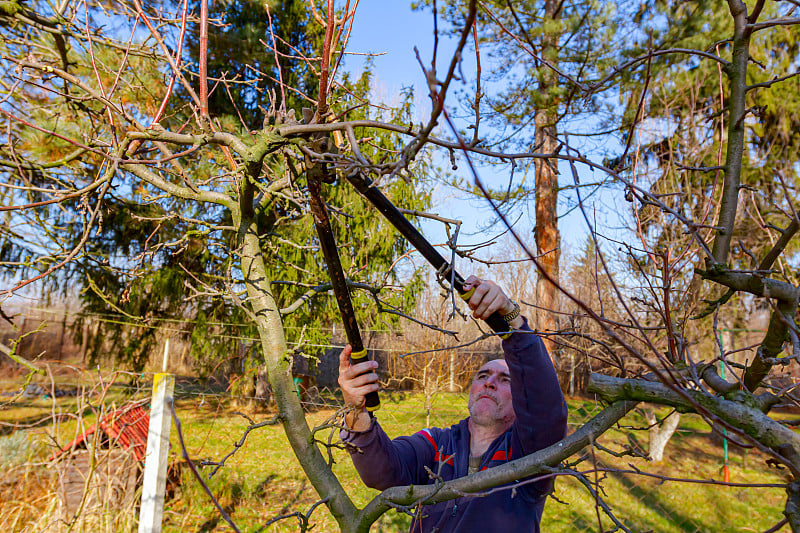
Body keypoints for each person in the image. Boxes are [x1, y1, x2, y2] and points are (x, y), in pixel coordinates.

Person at [338, 276, 568, 532]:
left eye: (505, 380)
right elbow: (383, 471)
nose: (489, 383)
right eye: (483, 376)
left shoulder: (530, 454)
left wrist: (511, 319)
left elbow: (545, 408)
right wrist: (356, 411)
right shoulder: (438, 444)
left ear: (521, 397)